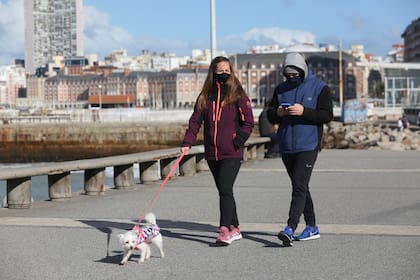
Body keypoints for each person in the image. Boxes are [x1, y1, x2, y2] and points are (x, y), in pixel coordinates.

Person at [181, 56, 254, 245]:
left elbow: (248, 122)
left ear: (231, 72)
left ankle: (224, 230)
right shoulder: (206, 96)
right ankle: (235, 228)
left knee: (224, 189)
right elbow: (195, 121)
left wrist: (237, 142)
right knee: (225, 190)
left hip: (232, 151)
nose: (223, 73)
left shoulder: (238, 94)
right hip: (212, 152)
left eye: (226, 70)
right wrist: (187, 143)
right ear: (213, 72)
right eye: (219, 70)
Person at [266, 52, 333, 247]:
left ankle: (290, 227)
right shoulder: (280, 89)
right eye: (288, 75)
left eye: (295, 74)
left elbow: (327, 115)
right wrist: (277, 112)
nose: (291, 78)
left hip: (308, 144)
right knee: (301, 186)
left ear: (303, 71)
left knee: (299, 186)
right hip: (287, 145)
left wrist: (304, 112)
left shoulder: (320, 87)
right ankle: (312, 227)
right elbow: (269, 115)